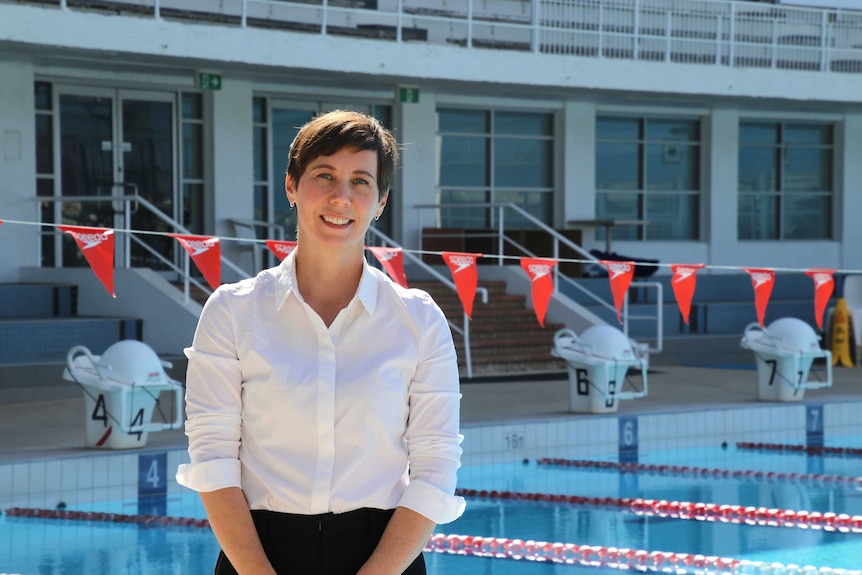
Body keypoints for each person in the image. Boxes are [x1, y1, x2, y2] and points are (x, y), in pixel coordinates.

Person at [176, 109, 465, 575]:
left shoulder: (418, 320)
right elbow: (212, 456)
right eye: (324, 175)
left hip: (384, 557)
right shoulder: (233, 311)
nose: (341, 196)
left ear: (381, 200)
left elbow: (435, 466)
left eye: (361, 181)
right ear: (292, 186)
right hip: (257, 553)